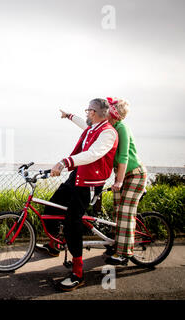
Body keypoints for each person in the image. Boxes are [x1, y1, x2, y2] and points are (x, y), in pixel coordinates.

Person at [40, 98, 118, 291]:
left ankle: (78, 273)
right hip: (77, 175)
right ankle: (54, 245)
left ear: (93, 112)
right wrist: (69, 116)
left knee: (72, 222)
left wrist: (65, 162)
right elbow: (82, 124)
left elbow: (93, 154)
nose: (85, 114)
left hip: (90, 182)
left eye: (87, 110)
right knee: (51, 208)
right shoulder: (92, 128)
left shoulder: (108, 133)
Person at [103, 97, 147, 265]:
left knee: (125, 213)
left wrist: (119, 181)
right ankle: (118, 244)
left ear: (114, 113)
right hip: (122, 174)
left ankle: (124, 253)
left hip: (134, 174)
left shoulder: (122, 128)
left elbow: (123, 156)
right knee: (117, 211)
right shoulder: (110, 127)